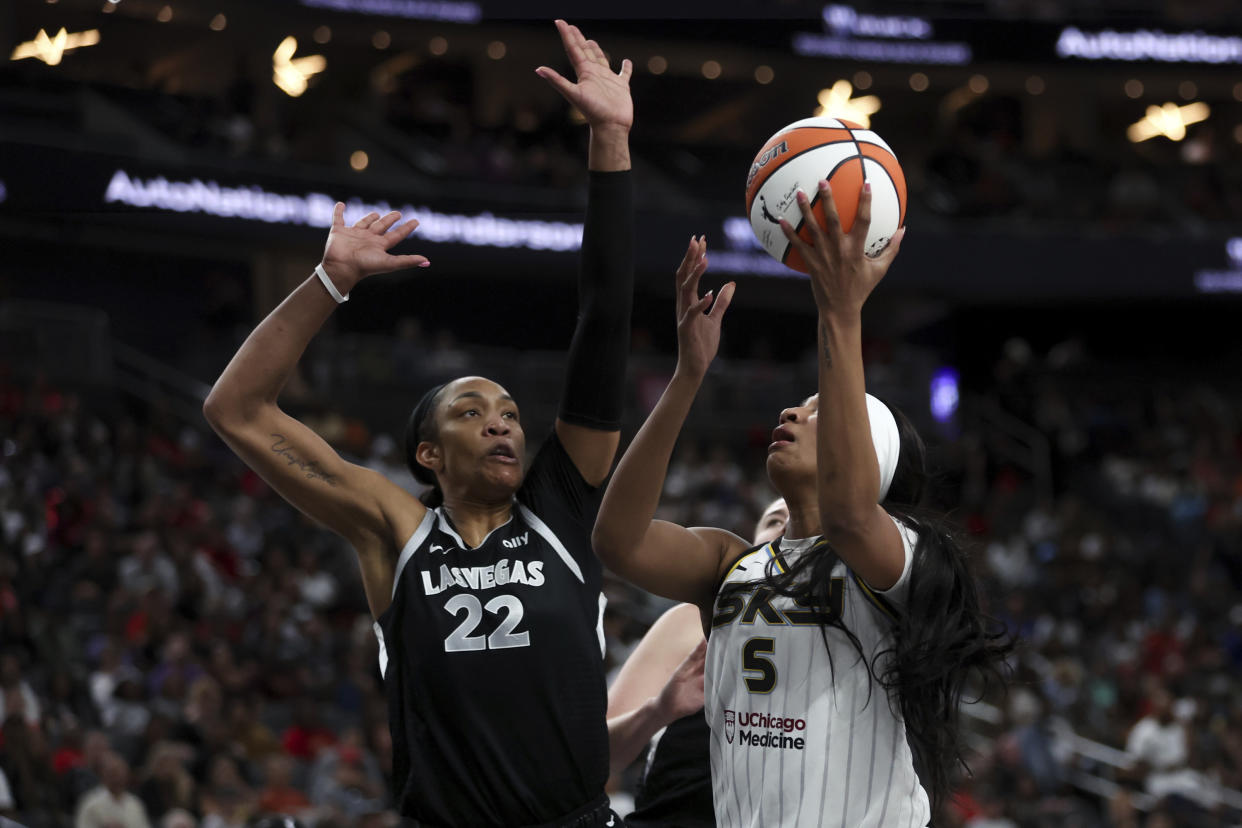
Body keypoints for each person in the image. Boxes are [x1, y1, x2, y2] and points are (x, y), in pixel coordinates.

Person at [204, 19, 637, 826]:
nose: (503, 424)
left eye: (510, 411)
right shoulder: (395, 531)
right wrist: (328, 283)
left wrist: (609, 142)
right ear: (429, 452)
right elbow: (235, 411)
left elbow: (605, 320)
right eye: (472, 412)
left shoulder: (561, 509)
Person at [592, 185, 1011, 826]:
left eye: (818, 412)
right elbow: (617, 541)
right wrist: (687, 376)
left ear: (866, 461)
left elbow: (846, 516)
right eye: (800, 405)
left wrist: (841, 314)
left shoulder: (905, 554)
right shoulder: (732, 562)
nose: (791, 411)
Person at [609, 498, 789, 828]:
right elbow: (598, 756)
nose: (785, 532)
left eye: (803, 520)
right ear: (747, 543)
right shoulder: (689, 621)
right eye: (775, 521)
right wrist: (658, 710)